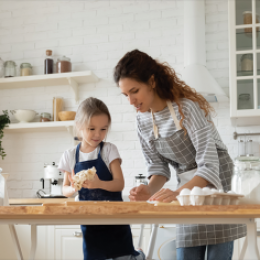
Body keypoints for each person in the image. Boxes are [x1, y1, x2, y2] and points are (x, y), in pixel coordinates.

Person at [113, 49, 246, 260]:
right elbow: (158, 169)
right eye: (126, 94)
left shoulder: (187, 109)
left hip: (217, 182)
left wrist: (176, 194)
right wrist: (148, 189)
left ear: (152, 81)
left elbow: (209, 166)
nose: (131, 101)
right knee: (186, 253)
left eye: (135, 91)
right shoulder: (142, 121)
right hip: (186, 187)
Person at [58, 97, 145, 260]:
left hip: (116, 221)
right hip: (90, 224)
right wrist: (73, 188)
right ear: (79, 126)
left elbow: (119, 184)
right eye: (92, 129)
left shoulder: (109, 150)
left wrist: (99, 184)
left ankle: (138, 256)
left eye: (103, 129)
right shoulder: (70, 155)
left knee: (123, 257)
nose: (98, 134)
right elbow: (64, 189)